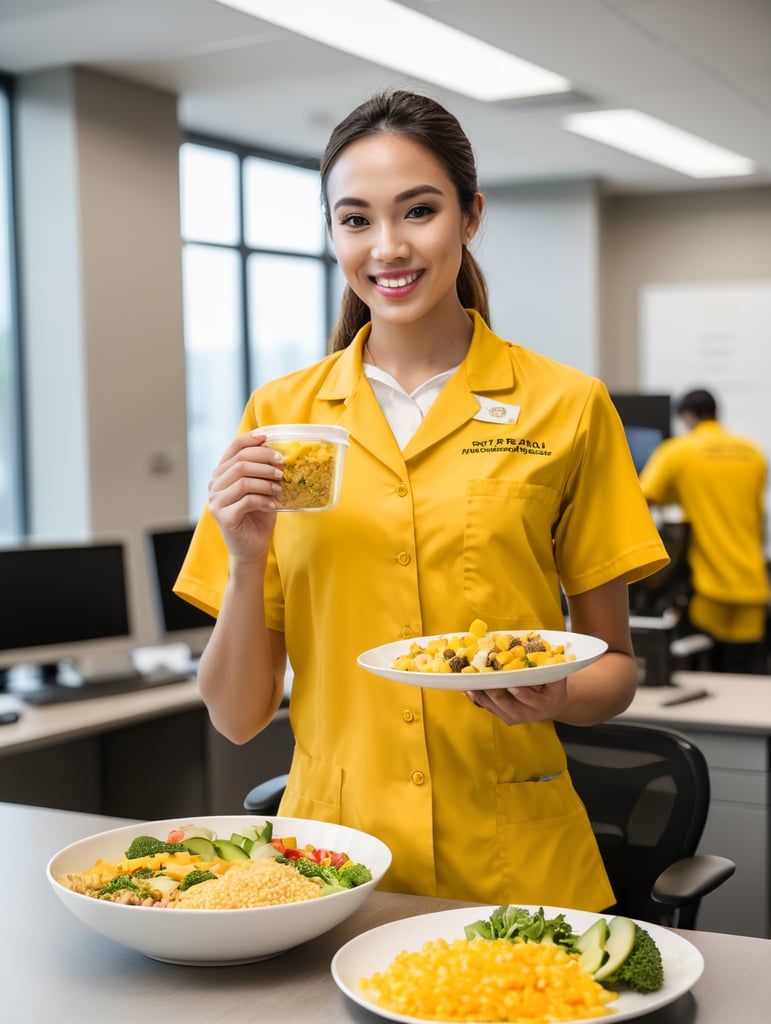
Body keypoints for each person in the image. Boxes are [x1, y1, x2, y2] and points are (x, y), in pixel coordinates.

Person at [174, 89, 668, 910]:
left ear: (469, 217)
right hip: (331, 865)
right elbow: (236, 717)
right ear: (332, 233)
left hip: (513, 860)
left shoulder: (567, 406)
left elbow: (614, 669)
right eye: (356, 219)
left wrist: (554, 694)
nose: (388, 246)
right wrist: (247, 555)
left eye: (419, 210)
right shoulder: (281, 417)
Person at [640, 388, 769, 674]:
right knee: (747, 677)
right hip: (753, 583)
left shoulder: (680, 451)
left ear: (687, 416)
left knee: (709, 675)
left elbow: (640, 497)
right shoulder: (753, 452)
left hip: (709, 587)